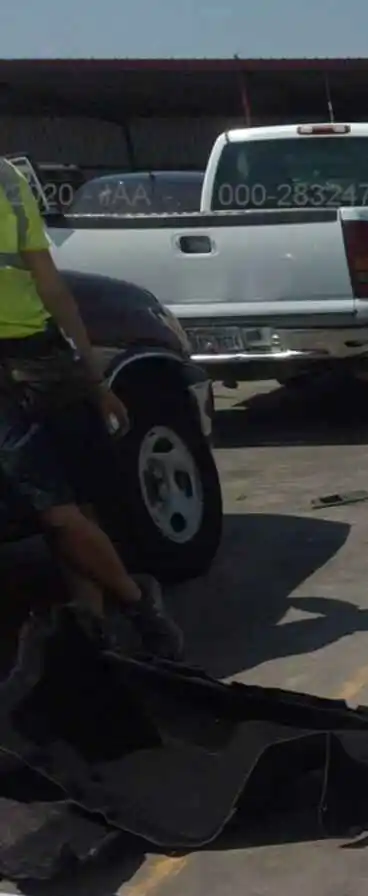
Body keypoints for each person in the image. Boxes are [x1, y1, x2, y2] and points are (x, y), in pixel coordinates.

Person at [0, 156, 183, 660]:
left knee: (78, 501)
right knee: (55, 510)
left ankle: (95, 628)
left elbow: (47, 278)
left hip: (40, 355)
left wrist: (93, 373)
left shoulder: (7, 180)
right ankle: (137, 600)